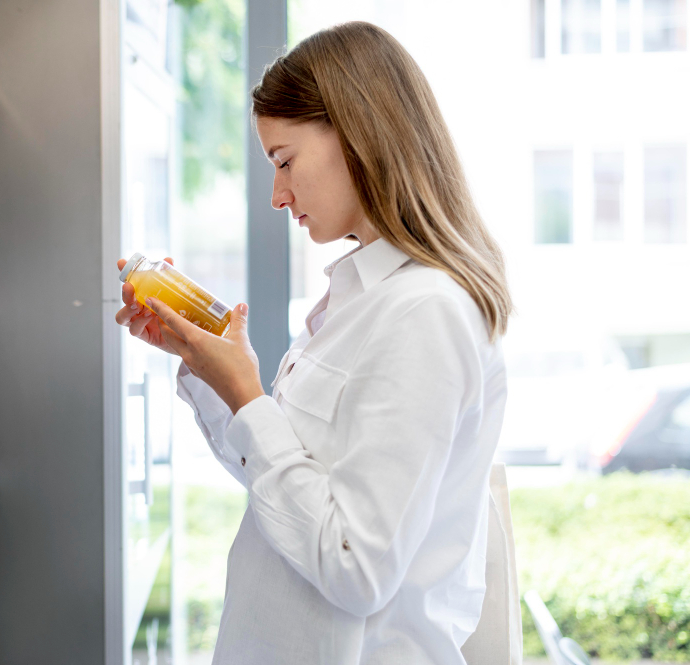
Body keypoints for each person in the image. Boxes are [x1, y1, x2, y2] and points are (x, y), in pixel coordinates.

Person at [115, 22, 511, 665]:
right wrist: (215, 376)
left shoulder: (426, 313)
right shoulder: (355, 300)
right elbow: (289, 493)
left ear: (358, 132)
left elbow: (355, 568)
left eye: (284, 160)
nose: (277, 194)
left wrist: (247, 394)